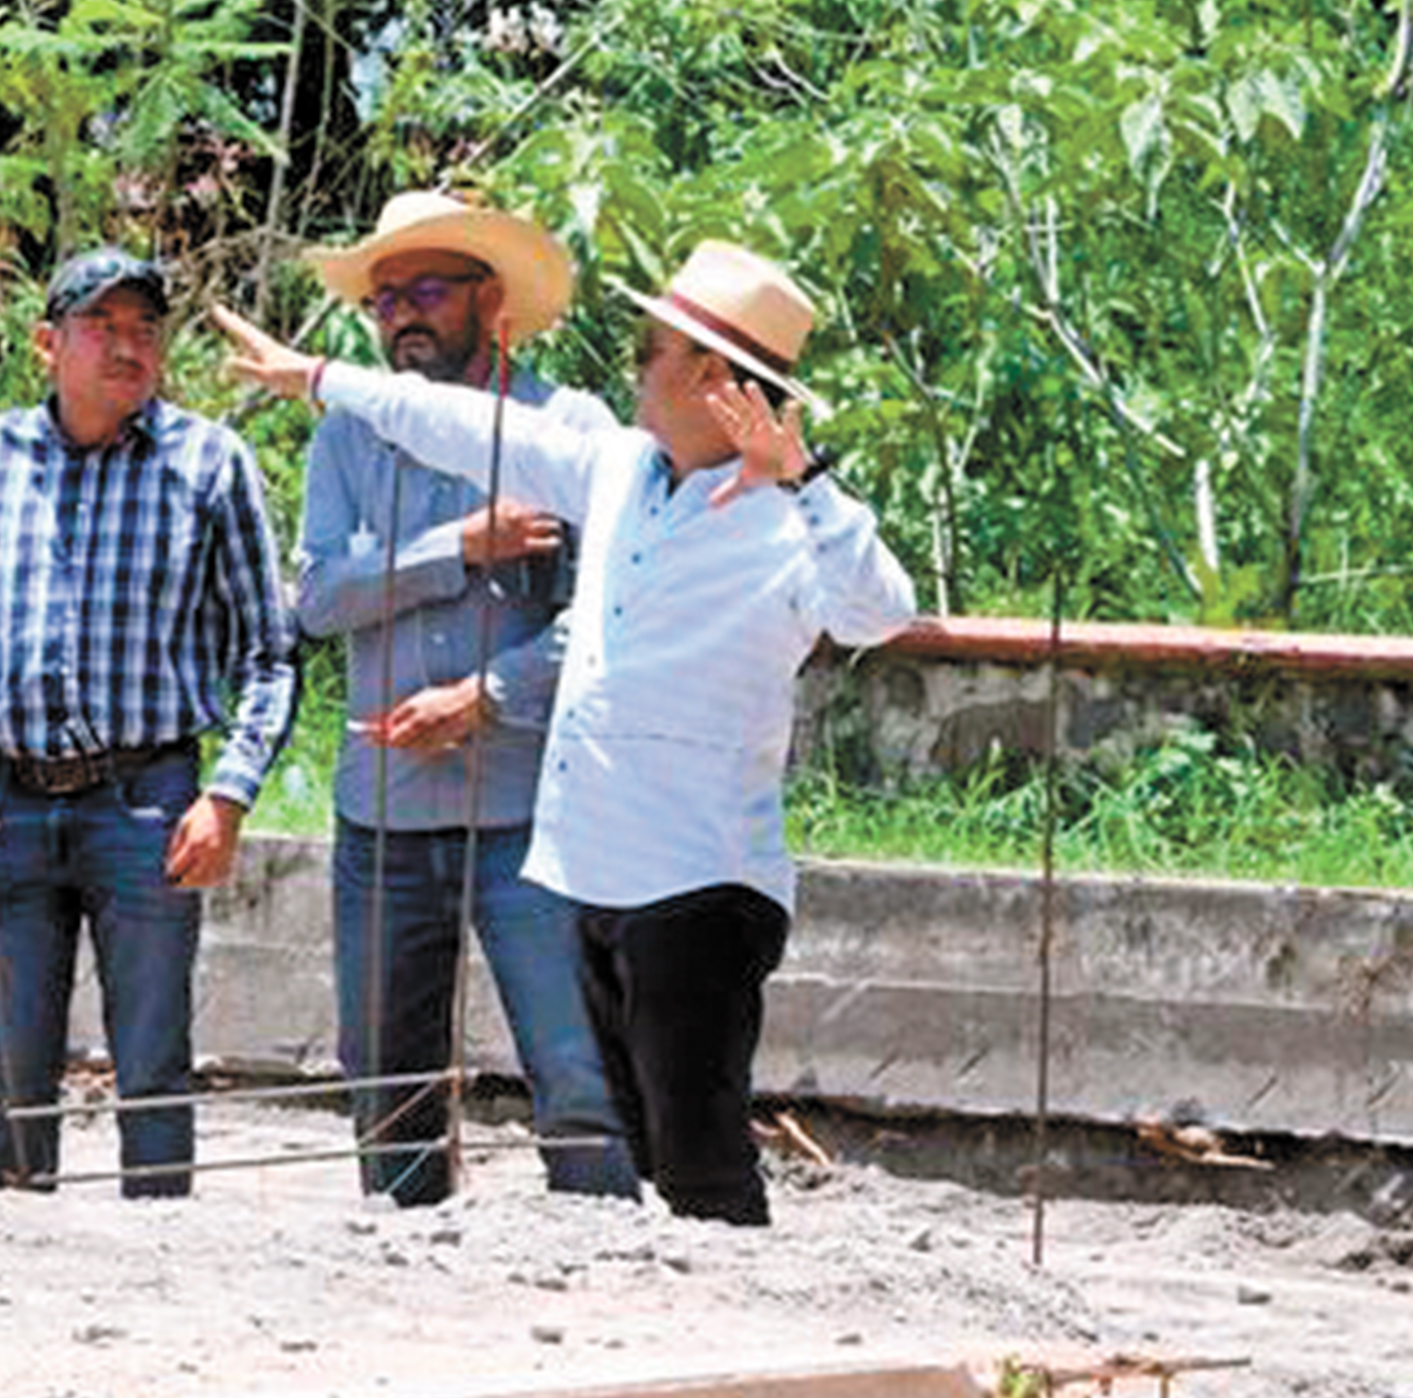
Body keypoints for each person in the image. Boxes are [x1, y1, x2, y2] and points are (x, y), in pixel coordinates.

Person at [215, 239, 919, 1225]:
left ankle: (716, 1301)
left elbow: (880, 610)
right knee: (641, 1131)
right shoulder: (621, 467)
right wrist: (324, 379)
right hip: (592, 865)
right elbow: (462, 424)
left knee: (692, 1151)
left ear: (710, 378)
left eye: (650, 349)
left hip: (699, 879)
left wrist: (804, 481)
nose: (633, 365)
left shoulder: (788, 519)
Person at [0, 248, 299, 1198]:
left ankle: (159, 1255)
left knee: (154, 1066)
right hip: (4, 802)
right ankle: (11, 1250)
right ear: (47, 343)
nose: (127, 347)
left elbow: (271, 652)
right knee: (13, 1075)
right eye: (101, 326)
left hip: (148, 805)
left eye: (145, 329)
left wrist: (229, 795)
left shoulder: (209, 463)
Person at [295, 191, 637, 1206]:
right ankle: (400, 1262)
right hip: (383, 815)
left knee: (576, 1068)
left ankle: (606, 1248)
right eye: (385, 298)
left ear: (491, 302)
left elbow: (609, 614)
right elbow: (317, 599)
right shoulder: (347, 434)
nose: (402, 314)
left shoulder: (567, 429)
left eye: (427, 292)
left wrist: (488, 693)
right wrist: (457, 548)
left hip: (532, 813)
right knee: (382, 1074)